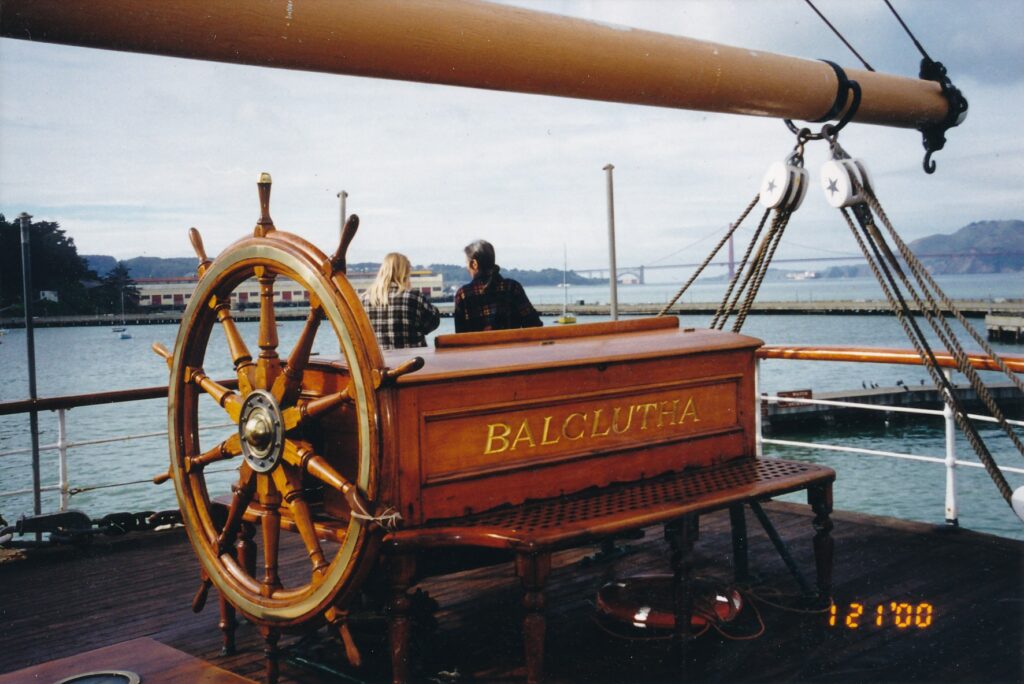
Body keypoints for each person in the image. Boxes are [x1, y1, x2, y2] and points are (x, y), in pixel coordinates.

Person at [454, 239, 542, 333]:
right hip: (511, 347)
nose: (466, 267)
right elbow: (534, 325)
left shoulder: (463, 294)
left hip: (478, 348)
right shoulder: (512, 288)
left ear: (474, 264)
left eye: (466, 263)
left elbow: (459, 335)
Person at [361, 252, 440, 349]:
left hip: (378, 362)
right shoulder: (414, 297)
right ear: (405, 273)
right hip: (412, 362)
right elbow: (433, 322)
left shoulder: (363, 300)